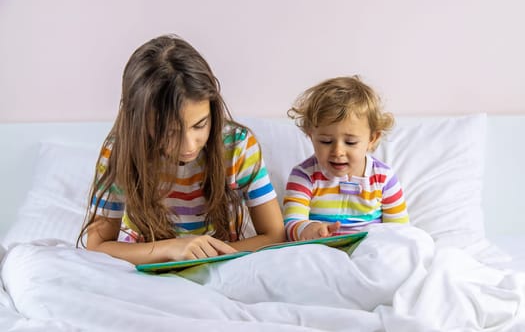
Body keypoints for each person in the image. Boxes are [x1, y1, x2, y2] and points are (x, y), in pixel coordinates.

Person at [77, 34, 285, 265]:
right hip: (146, 264)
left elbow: (274, 235)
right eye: (169, 132)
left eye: (200, 125)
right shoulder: (119, 154)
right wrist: (172, 249)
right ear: (139, 122)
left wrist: (200, 255)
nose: (188, 145)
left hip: (225, 264)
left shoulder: (237, 147)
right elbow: (97, 246)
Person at [283, 76, 409, 241]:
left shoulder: (383, 178)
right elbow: (291, 224)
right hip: (321, 250)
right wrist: (307, 229)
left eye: (350, 142)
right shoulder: (304, 176)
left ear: (372, 139)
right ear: (310, 135)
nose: (338, 151)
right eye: (326, 141)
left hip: (370, 251)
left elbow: (400, 231)